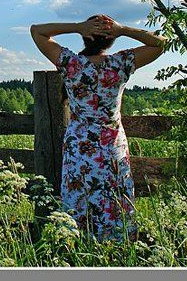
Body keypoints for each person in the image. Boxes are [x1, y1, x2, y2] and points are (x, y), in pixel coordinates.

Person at [29, 14, 167, 242]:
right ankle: (117, 249)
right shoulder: (120, 63)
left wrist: (78, 27)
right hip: (111, 148)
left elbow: (37, 30)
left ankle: (78, 248)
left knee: (79, 200)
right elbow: (160, 43)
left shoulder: (71, 64)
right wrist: (123, 29)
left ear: (86, 37)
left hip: (79, 150)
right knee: (114, 200)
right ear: (111, 40)